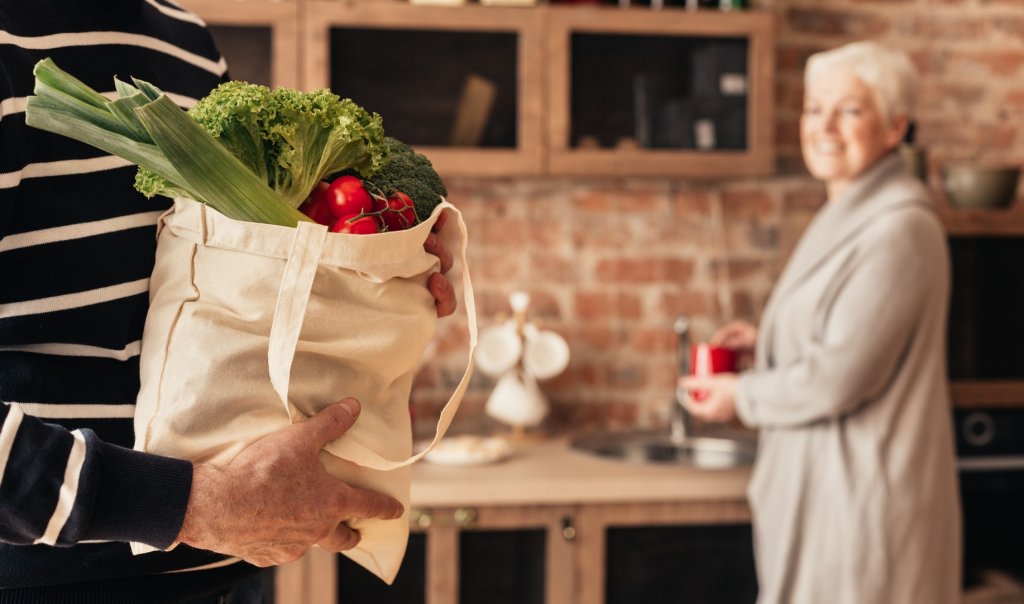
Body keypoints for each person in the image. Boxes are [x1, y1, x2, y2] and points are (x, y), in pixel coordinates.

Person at [0, 0, 456, 601]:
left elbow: (236, 280)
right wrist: (187, 505)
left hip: (236, 571)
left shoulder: (183, 37)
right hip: (50, 584)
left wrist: (376, 257)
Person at [680, 41, 961, 604]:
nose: (824, 126)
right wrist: (771, 341)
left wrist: (741, 397)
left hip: (861, 508)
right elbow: (857, 334)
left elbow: (839, 378)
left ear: (894, 127)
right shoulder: (849, 211)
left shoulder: (899, 229)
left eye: (850, 110)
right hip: (831, 499)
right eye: (814, 108)